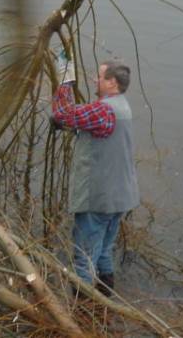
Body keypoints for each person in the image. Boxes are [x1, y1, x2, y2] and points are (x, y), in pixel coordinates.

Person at [51, 51, 139, 297]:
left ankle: (81, 312)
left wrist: (65, 78)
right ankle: (105, 303)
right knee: (103, 251)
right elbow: (89, 121)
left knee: (83, 258)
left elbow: (63, 114)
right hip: (121, 197)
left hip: (99, 198)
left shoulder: (104, 111)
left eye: (99, 76)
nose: (94, 80)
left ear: (112, 82)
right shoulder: (121, 107)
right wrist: (72, 124)